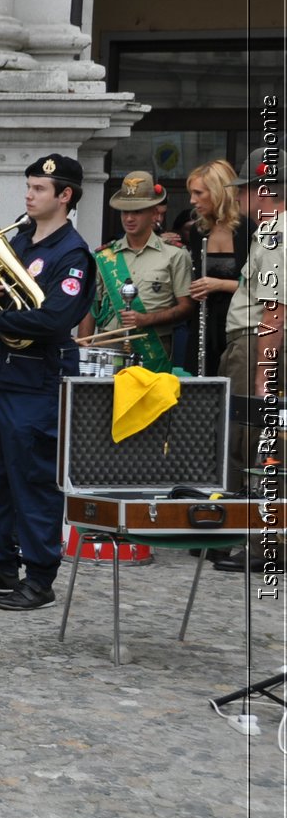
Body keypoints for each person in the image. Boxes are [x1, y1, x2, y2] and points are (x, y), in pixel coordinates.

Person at [0, 154, 94, 611]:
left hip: (37, 382)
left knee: (32, 480)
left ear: (64, 195)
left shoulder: (72, 254)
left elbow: (56, 317)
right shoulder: (17, 240)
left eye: (38, 189)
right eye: (28, 187)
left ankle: (40, 576)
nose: (28, 195)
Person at [212, 147, 284, 573]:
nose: (239, 200)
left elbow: (275, 308)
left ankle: (260, 547)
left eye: (244, 192)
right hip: (258, 342)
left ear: (262, 191)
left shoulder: (274, 232)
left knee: (252, 443)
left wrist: (262, 373)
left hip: (258, 343)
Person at [77, 171, 193, 373]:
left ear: (154, 213)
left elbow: (186, 308)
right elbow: (91, 306)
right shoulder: (104, 256)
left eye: (137, 211)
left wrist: (147, 320)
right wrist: (83, 345)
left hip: (153, 346)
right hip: (107, 346)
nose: (129, 218)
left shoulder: (175, 255)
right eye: (124, 211)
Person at [181, 159, 246, 377]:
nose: (193, 200)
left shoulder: (248, 229)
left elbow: (259, 287)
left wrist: (218, 284)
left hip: (238, 326)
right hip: (205, 325)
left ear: (218, 192)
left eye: (199, 193)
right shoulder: (199, 231)